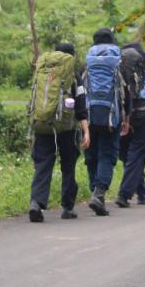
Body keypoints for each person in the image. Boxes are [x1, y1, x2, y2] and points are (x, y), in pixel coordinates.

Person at [27, 42, 90, 222]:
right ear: (71, 57)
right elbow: (81, 106)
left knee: (43, 165)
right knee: (68, 167)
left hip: (42, 125)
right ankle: (67, 207)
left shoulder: (42, 72)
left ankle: (36, 203)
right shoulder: (73, 75)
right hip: (67, 128)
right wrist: (86, 131)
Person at [83, 28, 129, 215]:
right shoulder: (118, 62)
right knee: (107, 154)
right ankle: (99, 193)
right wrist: (126, 117)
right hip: (111, 115)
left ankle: (95, 188)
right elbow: (126, 93)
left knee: (91, 154)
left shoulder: (87, 63)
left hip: (90, 114)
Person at [114, 42, 145, 208]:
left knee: (130, 157)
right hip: (143, 118)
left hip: (122, 120)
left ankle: (143, 193)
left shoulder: (117, 76)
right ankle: (124, 194)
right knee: (136, 157)